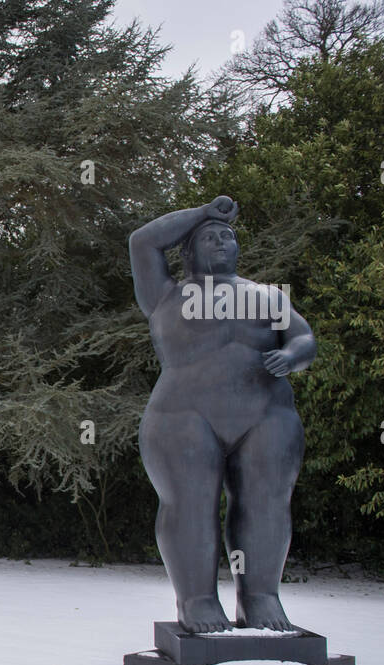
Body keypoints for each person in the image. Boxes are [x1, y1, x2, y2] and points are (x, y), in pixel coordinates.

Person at [129, 195, 316, 633]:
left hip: (267, 414)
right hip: (184, 415)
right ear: (187, 250)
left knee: (267, 504)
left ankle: (261, 598)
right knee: (190, 505)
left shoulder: (267, 296)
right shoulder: (164, 295)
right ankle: (196, 600)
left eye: (227, 236)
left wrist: (291, 356)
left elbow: (303, 336)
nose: (221, 241)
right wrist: (204, 213)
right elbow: (142, 241)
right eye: (210, 237)